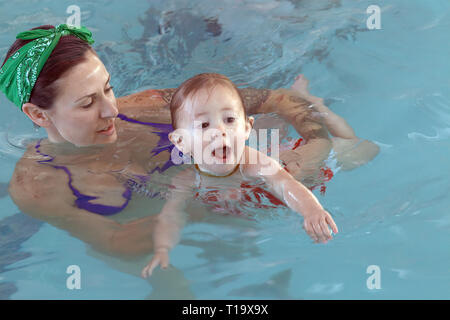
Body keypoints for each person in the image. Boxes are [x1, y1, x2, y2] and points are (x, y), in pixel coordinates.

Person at [0, 24, 359, 261]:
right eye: (88, 103)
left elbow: (281, 100)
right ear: (37, 115)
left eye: (108, 88)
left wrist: (318, 144)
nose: (112, 109)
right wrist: (196, 200)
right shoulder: (38, 187)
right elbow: (115, 245)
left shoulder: (146, 107)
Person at [141, 73, 342, 277]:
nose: (220, 130)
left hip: (294, 159)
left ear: (246, 129)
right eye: (204, 125)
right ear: (181, 142)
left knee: (341, 146)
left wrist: (311, 210)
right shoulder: (185, 180)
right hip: (241, 193)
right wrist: (162, 248)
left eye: (229, 120)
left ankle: (309, 100)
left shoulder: (256, 163)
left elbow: (284, 184)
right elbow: (171, 216)